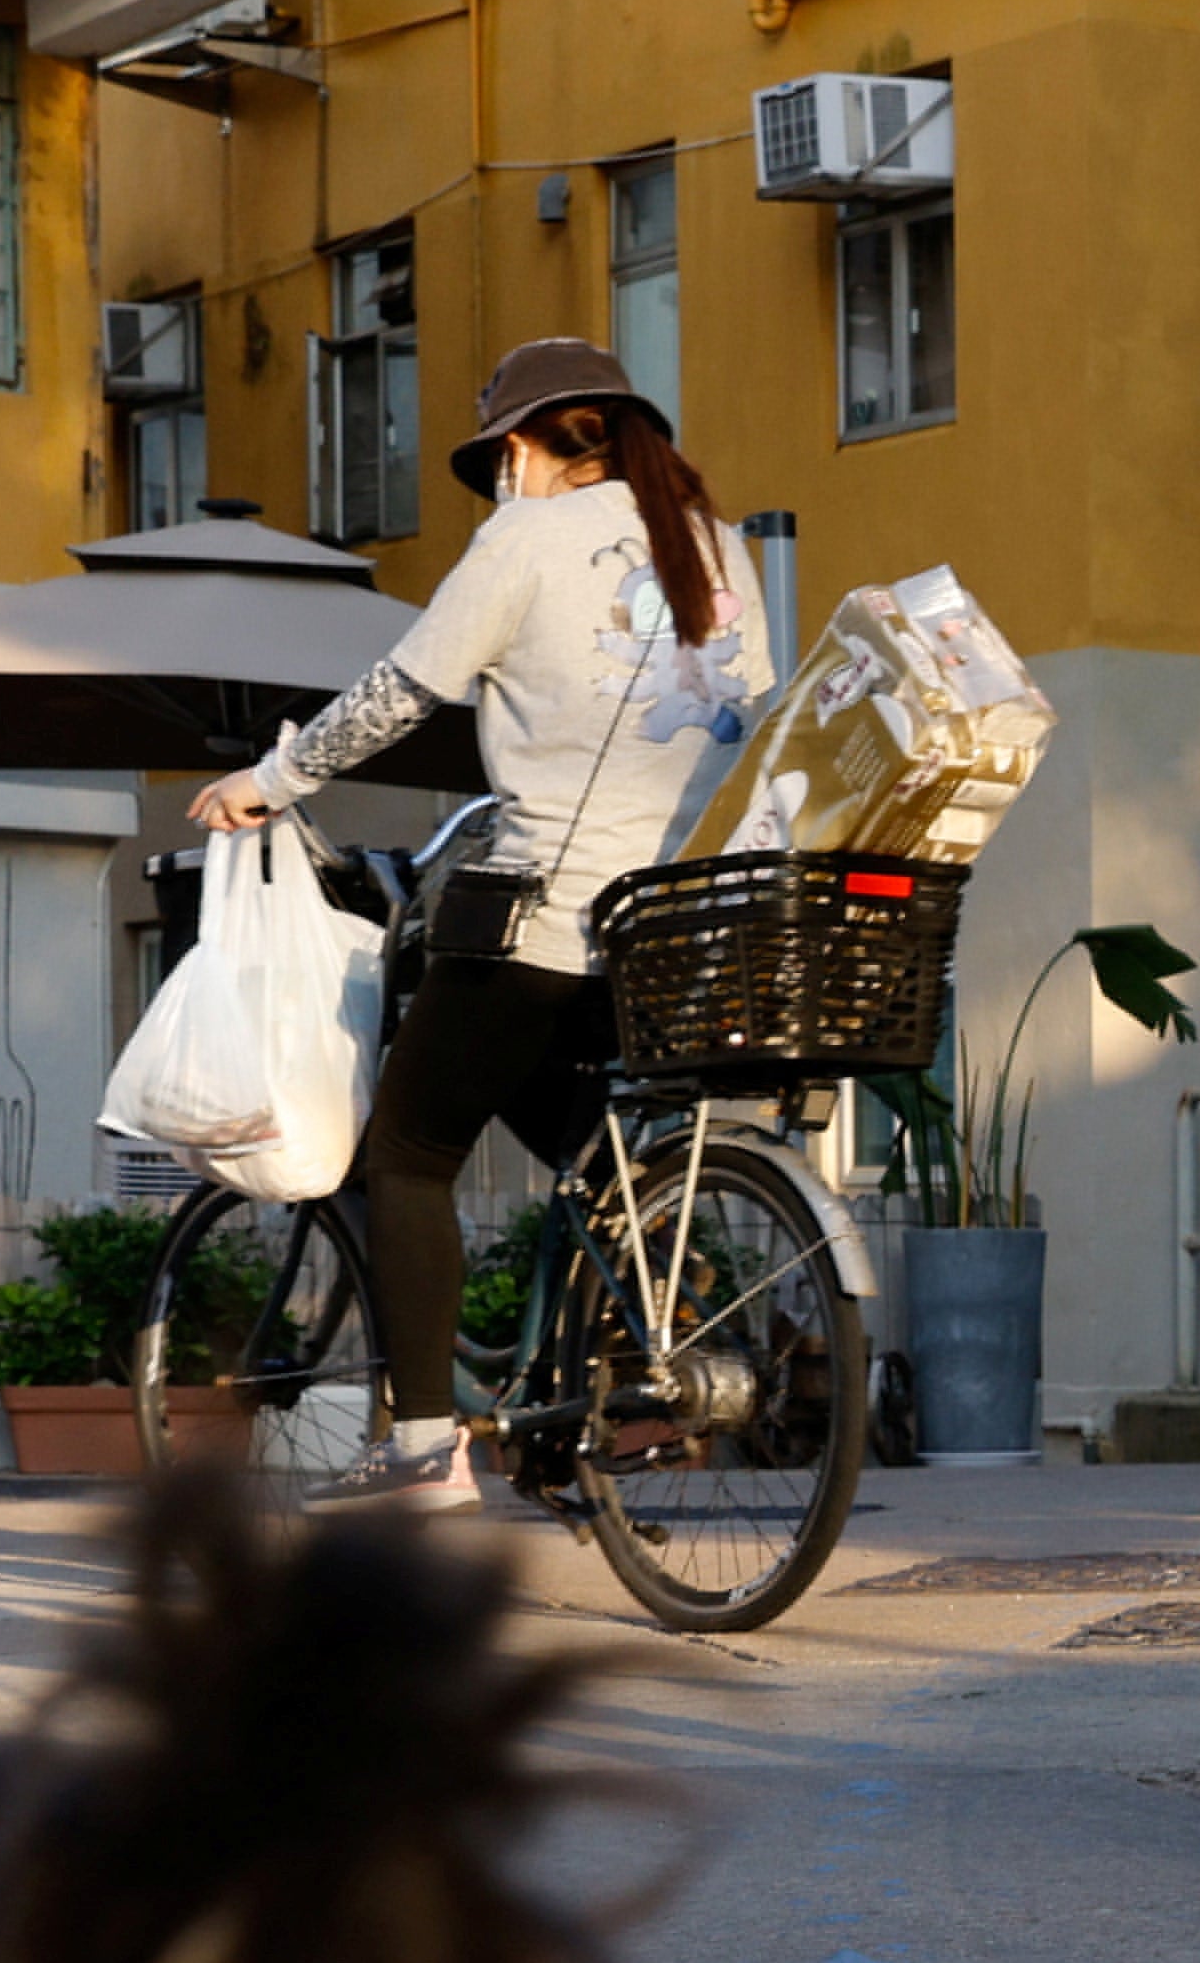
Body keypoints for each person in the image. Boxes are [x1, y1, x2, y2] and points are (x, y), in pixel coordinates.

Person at [192, 339, 770, 1518]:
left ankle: (421, 1450)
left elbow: (405, 689)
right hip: (664, 920)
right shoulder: (719, 550)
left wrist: (272, 780)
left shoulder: (521, 539)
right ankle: (642, 1314)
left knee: (407, 1153)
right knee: (570, 1136)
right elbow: (738, 725)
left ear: (519, 445)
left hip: (539, 908)